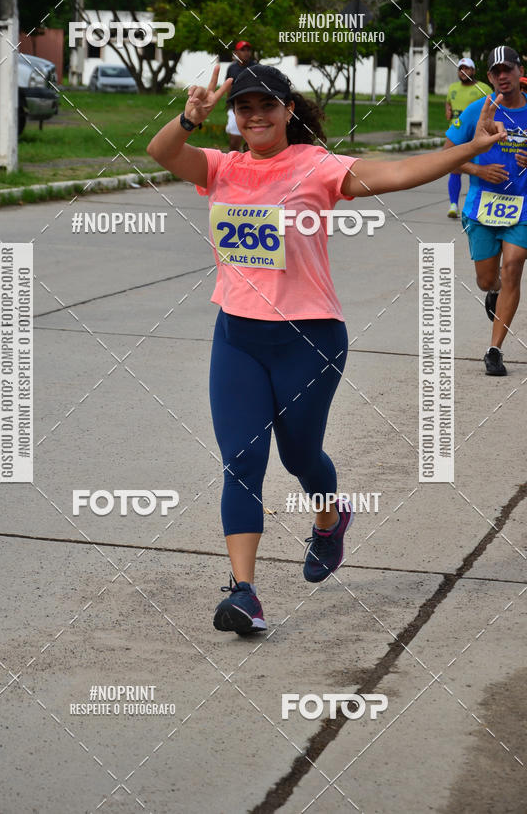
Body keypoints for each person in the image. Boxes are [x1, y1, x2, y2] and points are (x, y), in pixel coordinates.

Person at [146, 63, 505, 636]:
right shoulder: (222, 166)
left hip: (309, 341)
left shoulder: (316, 167)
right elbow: (162, 150)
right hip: (237, 336)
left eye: (266, 105)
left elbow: (401, 171)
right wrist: (192, 116)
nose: (255, 116)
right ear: (234, 118)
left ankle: (330, 518)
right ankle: (244, 593)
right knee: (241, 462)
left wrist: (465, 152)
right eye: (244, 108)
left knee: (300, 456)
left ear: (289, 110)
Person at [444, 45, 527, 377]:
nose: (502, 76)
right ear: (489, 76)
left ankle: (494, 351)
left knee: (514, 265)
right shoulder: (480, 110)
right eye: (495, 72)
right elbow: (448, 153)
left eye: (507, 69)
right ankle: (492, 292)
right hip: (483, 208)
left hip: (523, 208)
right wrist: (479, 171)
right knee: (486, 279)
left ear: (520, 71)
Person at [445, 57, 491, 218]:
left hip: (476, 136)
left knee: (478, 170)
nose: (463, 72)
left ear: (473, 70)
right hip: (458, 135)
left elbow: (493, 107)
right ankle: (453, 205)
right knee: (455, 168)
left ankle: (479, 204)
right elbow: (448, 103)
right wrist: (448, 110)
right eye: (460, 69)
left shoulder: (483, 88)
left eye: (467, 68)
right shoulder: (453, 88)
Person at [225, 40, 254, 151]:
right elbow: (229, 86)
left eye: (248, 50)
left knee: (251, 141)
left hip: (252, 109)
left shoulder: (255, 67)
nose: (246, 52)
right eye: (242, 50)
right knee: (234, 141)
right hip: (235, 107)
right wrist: (229, 104)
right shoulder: (232, 68)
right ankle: (232, 164)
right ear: (236, 53)